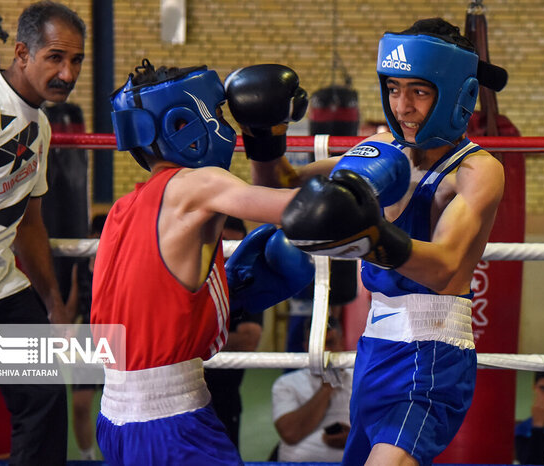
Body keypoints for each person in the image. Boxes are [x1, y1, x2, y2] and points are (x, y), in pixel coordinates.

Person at [229, 17, 507, 466]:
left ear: (459, 94)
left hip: (431, 352)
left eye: (419, 91)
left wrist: (369, 237)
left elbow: (444, 266)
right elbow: (283, 186)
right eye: (393, 88)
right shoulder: (380, 147)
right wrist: (264, 136)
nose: (403, 106)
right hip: (375, 347)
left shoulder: (477, 171)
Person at [90, 59, 314, 465]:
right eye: (221, 113)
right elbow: (309, 210)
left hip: (114, 421)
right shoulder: (199, 183)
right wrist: (379, 159)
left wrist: (226, 297)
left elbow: (150, 301)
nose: (227, 126)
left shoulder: (121, 211)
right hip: (173, 425)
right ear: (185, 124)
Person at [0, 2, 85, 464]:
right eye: (56, 58)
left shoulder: (39, 127)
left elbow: (29, 221)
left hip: (2, 292)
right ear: (22, 53)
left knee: (43, 403)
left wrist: (55, 306)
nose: (68, 72)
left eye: (76, 60)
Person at [203, 216, 264, 449]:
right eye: (222, 242)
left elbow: (249, 340)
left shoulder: (247, 280)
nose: (227, 252)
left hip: (225, 391)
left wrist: (196, 341)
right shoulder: (196, 273)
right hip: (183, 390)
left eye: (232, 245)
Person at [271, 316, 352, 462]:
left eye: (330, 343)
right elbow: (290, 434)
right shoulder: (286, 384)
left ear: (342, 342)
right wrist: (326, 387)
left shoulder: (359, 379)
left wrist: (353, 438)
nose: (325, 351)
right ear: (306, 347)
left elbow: (382, 427)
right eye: (318, 347)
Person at [66, 213, 106, 461]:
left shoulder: (120, 265)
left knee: (116, 407)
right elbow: (72, 305)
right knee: (80, 406)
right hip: (85, 340)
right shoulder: (80, 266)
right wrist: (61, 325)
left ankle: (116, 455)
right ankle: (87, 457)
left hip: (115, 338)